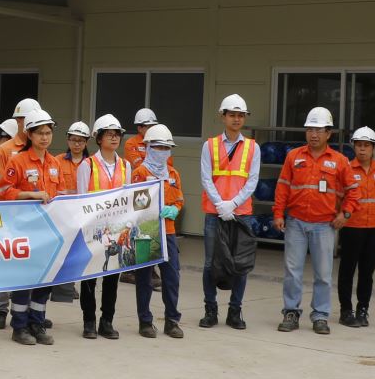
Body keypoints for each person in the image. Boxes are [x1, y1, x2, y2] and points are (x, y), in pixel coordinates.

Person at [272, 107, 358, 335]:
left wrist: (345, 214)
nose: (314, 134)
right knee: (292, 271)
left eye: (319, 130)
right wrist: (278, 213)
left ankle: (320, 316)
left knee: (323, 274)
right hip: (296, 222)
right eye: (310, 129)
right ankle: (291, 312)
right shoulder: (294, 156)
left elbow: (353, 191)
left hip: (324, 225)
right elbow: (283, 187)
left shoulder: (339, 161)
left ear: (329, 133)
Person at [0, 108, 64, 345]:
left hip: (48, 232)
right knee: (25, 279)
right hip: (25, 230)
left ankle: (37, 323)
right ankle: (19, 326)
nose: (45, 137)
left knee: (44, 281)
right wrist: (29, 194)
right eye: (40, 133)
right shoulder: (18, 161)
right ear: (29, 135)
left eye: (48, 133)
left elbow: (61, 194)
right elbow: (4, 190)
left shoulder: (55, 163)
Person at [199, 94, 261, 330]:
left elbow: (252, 181)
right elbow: (206, 178)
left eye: (240, 115)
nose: (237, 119)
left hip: (241, 213)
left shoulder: (253, 147)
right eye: (232, 115)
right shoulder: (209, 145)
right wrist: (220, 205)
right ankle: (210, 310)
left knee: (240, 264)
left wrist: (232, 204)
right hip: (214, 213)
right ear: (222, 116)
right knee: (210, 263)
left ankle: (235, 311)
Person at [73, 113, 131, 339]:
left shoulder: (126, 165)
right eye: (109, 134)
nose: (114, 138)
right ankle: (89, 321)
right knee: (89, 278)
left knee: (112, 278)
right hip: (92, 230)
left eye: (117, 134)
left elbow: (128, 199)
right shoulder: (87, 165)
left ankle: (107, 321)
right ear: (98, 138)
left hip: (116, 230)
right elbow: (81, 199)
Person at [0, 98, 40, 328]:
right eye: (24, 119)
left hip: (34, 219)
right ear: (18, 121)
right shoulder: (5, 150)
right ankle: (0, 309)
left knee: (30, 265)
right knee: (3, 263)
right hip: (8, 215)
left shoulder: (40, 149)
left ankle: (28, 310)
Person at [132, 124, 186, 340]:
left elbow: (179, 199)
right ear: (148, 147)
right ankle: (145, 321)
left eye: (166, 148)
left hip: (168, 232)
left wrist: (175, 209)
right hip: (146, 232)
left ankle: (172, 321)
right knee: (144, 278)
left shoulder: (173, 173)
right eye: (158, 147)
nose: (162, 152)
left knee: (172, 277)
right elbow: (134, 205)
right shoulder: (140, 173)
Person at [338, 126, 375, 328]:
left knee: (367, 272)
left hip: (374, 227)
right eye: (359, 145)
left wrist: (371, 210)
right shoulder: (347, 169)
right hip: (352, 227)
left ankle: (363, 309)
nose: (362, 149)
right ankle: (346, 310)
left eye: (366, 145)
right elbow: (340, 197)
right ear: (353, 147)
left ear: (373, 148)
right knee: (347, 270)